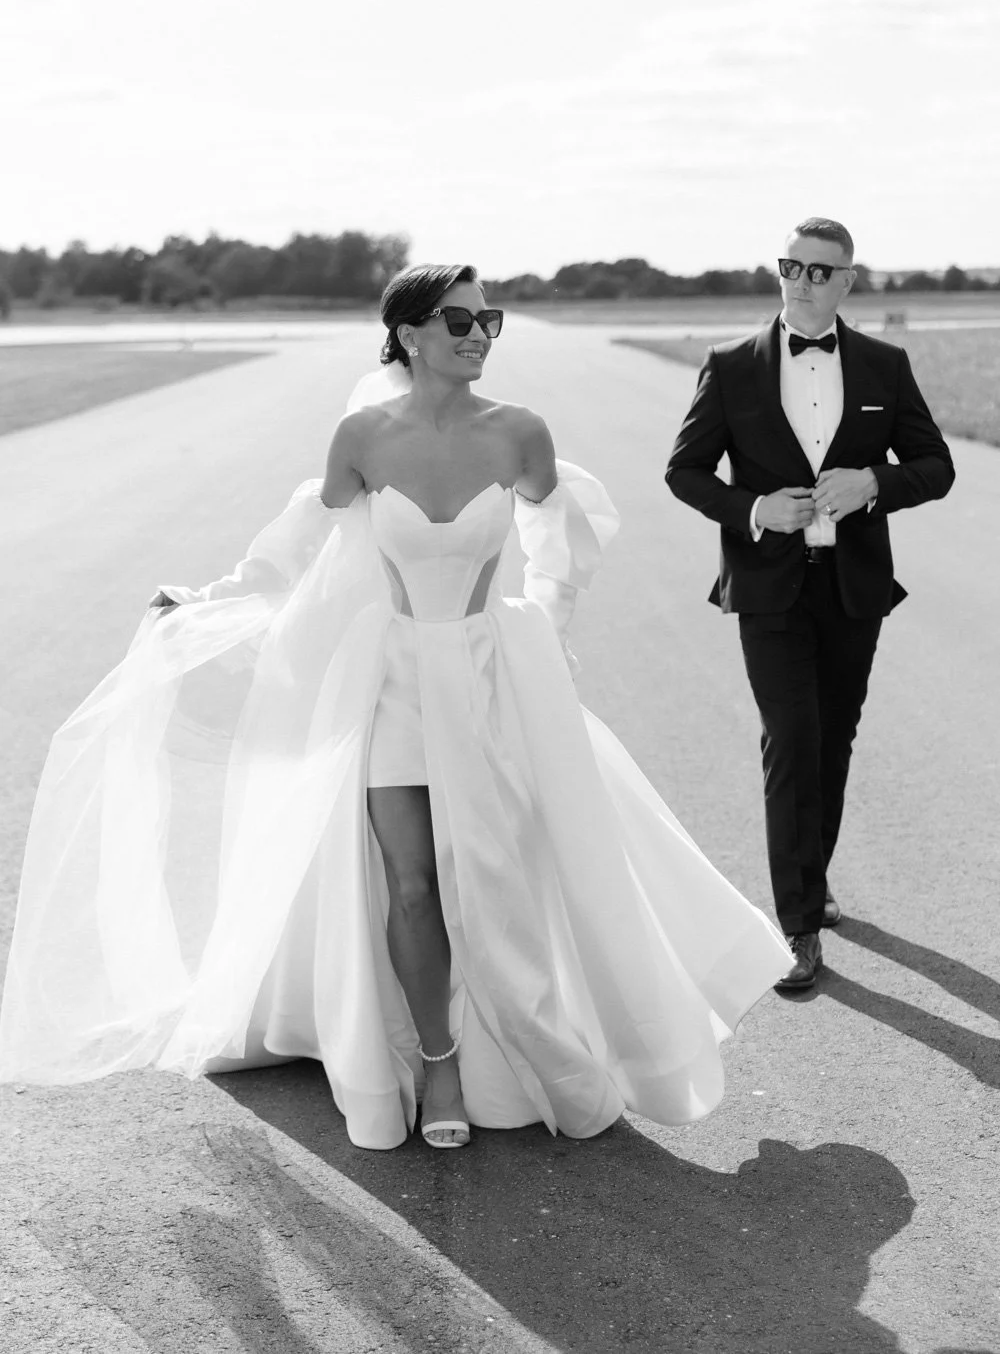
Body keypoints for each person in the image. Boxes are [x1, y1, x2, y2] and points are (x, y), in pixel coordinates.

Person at [0, 263, 792, 1150]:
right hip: (393, 687)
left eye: (490, 320)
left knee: (491, 879)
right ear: (408, 333)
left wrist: (543, 629)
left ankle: (532, 1044)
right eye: (459, 320)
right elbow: (306, 538)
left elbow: (557, 537)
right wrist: (211, 599)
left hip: (489, 682)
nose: (479, 335)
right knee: (411, 885)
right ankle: (442, 1064)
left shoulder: (520, 434)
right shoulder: (362, 437)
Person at [665, 219, 955, 991]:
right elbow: (685, 472)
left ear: (848, 282)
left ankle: (812, 878)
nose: (803, 281)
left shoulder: (885, 366)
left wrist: (874, 485)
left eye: (822, 271)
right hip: (769, 589)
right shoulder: (731, 367)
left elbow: (936, 466)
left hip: (853, 585)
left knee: (832, 741)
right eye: (792, 266)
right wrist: (757, 509)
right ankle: (796, 927)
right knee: (791, 741)